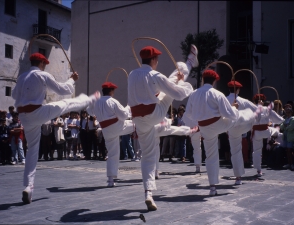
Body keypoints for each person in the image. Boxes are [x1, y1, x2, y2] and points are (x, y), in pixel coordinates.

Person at [12, 52, 95, 204]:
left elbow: (13, 95)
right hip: (36, 112)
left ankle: (29, 186)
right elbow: (63, 90)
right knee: (65, 104)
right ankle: (88, 99)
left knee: (32, 149)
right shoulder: (42, 75)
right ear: (42, 64)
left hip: (24, 116)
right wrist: (72, 79)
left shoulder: (21, 77)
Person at [128, 45, 198, 210]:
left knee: (148, 156)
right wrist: (182, 83)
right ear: (153, 60)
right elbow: (179, 94)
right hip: (155, 114)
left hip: (139, 119)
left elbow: (144, 92)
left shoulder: (131, 75)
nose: (157, 62)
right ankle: (188, 63)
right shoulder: (155, 75)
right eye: (157, 59)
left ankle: (148, 193)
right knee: (173, 87)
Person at [184, 70, 257, 196]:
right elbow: (229, 114)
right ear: (214, 81)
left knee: (210, 156)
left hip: (204, 128)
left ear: (203, 79)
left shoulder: (194, 94)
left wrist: (196, 123)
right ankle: (252, 118)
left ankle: (212, 187)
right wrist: (234, 107)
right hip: (219, 124)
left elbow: (188, 114)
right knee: (238, 117)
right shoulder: (217, 94)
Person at [87, 81, 134, 187]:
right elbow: (124, 115)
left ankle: (110, 180)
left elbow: (90, 111)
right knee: (136, 124)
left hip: (106, 130)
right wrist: (128, 106)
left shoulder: (97, 102)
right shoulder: (113, 101)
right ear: (111, 91)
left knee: (112, 154)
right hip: (116, 126)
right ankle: (153, 126)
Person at [226, 81, 258, 185]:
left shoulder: (225, 100)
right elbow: (257, 110)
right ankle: (239, 176)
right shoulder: (244, 101)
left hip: (231, 128)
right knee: (237, 150)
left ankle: (238, 177)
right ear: (238, 90)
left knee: (235, 151)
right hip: (243, 128)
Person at [251, 94, 284, 176]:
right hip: (265, 131)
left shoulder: (251, 109)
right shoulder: (266, 109)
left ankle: (258, 170)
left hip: (256, 132)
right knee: (276, 131)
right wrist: (282, 119)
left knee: (257, 151)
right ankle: (259, 170)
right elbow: (278, 119)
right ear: (261, 101)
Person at [280, 104, 294, 170]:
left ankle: (292, 164)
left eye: (289, 112)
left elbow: (291, 127)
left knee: (290, 150)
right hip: (285, 136)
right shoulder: (285, 119)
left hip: (290, 137)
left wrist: (285, 127)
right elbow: (281, 126)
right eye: (287, 112)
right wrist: (285, 127)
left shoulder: (293, 119)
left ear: (291, 112)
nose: (287, 113)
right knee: (287, 151)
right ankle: (289, 163)